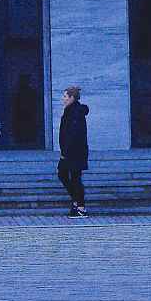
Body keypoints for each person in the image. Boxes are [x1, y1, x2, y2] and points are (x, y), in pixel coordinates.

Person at [57, 85, 89, 218]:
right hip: (72, 151)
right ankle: (77, 202)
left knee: (74, 177)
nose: (63, 99)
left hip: (74, 152)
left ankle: (81, 207)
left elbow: (73, 134)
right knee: (65, 175)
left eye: (65, 96)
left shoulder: (75, 112)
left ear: (72, 98)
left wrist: (65, 152)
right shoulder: (70, 111)